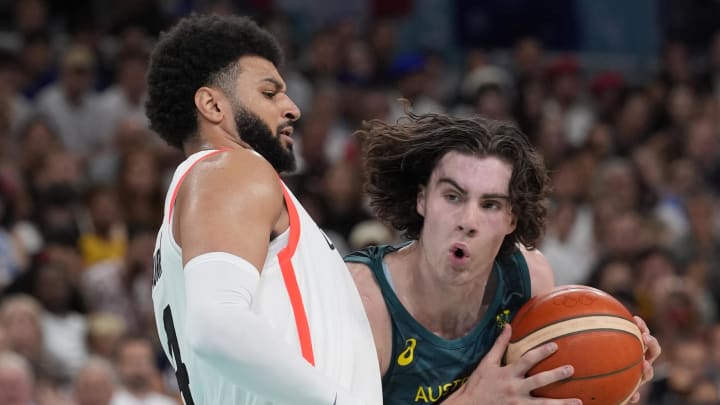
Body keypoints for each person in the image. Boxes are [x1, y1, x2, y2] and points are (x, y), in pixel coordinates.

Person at [146, 13, 381, 405]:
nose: (292, 109)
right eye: (270, 93)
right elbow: (216, 324)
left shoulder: (197, 202)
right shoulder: (231, 169)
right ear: (212, 104)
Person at [346, 113, 661, 404]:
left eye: (490, 204)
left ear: (512, 218)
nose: (468, 220)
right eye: (453, 196)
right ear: (422, 199)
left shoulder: (529, 278)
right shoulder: (361, 302)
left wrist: (613, 373)